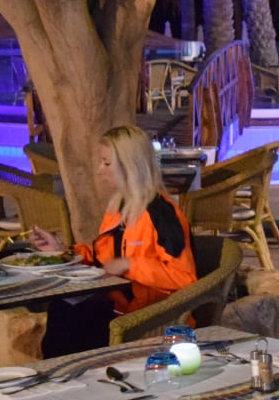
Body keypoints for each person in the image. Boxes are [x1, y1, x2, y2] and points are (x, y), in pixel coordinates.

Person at [29, 125, 197, 356]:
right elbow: (102, 258)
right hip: (118, 305)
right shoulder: (119, 208)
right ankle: (62, 373)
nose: (100, 170)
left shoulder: (161, 213)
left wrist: (130, 265)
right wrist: (61, 251)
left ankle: (69, 374)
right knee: (63, 307)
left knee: (73, 319)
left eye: (106, 163)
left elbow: (186, 279)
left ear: (130, 166)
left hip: (153, 315)